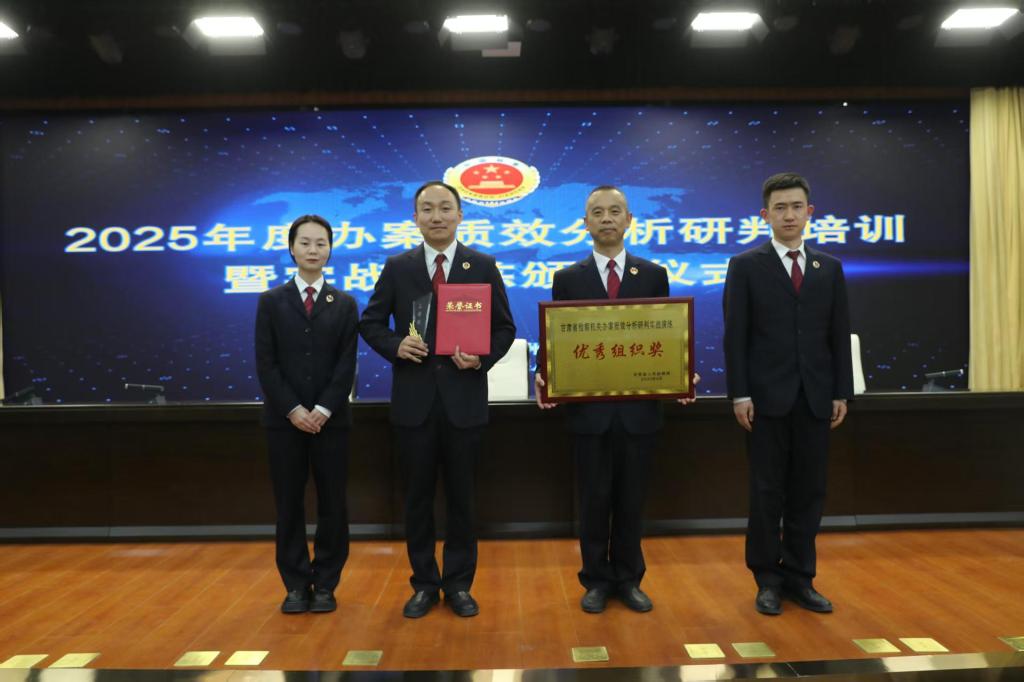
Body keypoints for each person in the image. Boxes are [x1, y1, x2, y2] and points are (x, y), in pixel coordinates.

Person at [535, 185, 699, 614]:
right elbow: (555, 338)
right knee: (593, 501)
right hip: (589, 414)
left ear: (629, 220)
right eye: (597, 212)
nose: (606, 219)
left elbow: (667, 334)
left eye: (614, 211)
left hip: (638, 413)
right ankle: (595, 580)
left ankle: (629, 579)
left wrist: (682, 371)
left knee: (631, 500)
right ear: (584, 223)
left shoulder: (653, 274)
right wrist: (544, 372)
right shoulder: (568, 278)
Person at [359, 181, 516, 618]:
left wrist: (481, 359)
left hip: (464, 401)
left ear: (460, 214)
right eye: (427, 209)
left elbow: (505, 328)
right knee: (417, 501)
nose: (436, 216)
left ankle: (460, 585)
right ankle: (425, 584)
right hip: (415, 404)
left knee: (463, 500)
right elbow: (371, 323)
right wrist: (396, 346)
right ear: (415, 218)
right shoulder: (398, 267)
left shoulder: (481, 265)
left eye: (445, 208)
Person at [723, 172, 853, 616]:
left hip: (816, 398)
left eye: (797, 206)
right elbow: (736, 336)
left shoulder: (828, 268)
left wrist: (841, 392)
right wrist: (739, 394)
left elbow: (838, 334)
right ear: (765, 215)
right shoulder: (746, 265)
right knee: (766, 493)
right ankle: (767, 579)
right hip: (764, 401)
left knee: (809, 492)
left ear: (810, 212)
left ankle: (801, 577)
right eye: (780, 208)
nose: (789, 215)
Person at [255, 214, 359, 614]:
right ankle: (296, 584)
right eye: (305, 243)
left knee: (333, 504)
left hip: (332, 422)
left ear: (330, 250)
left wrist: (323, 409)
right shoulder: (271, 301)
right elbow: (266, 364)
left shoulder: (345, 304)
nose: (313, 250)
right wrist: (295, 410)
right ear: (291, 248)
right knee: (289, 504)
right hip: (284, 423)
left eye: (321, 243)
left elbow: (346, 364)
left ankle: (327, 583)